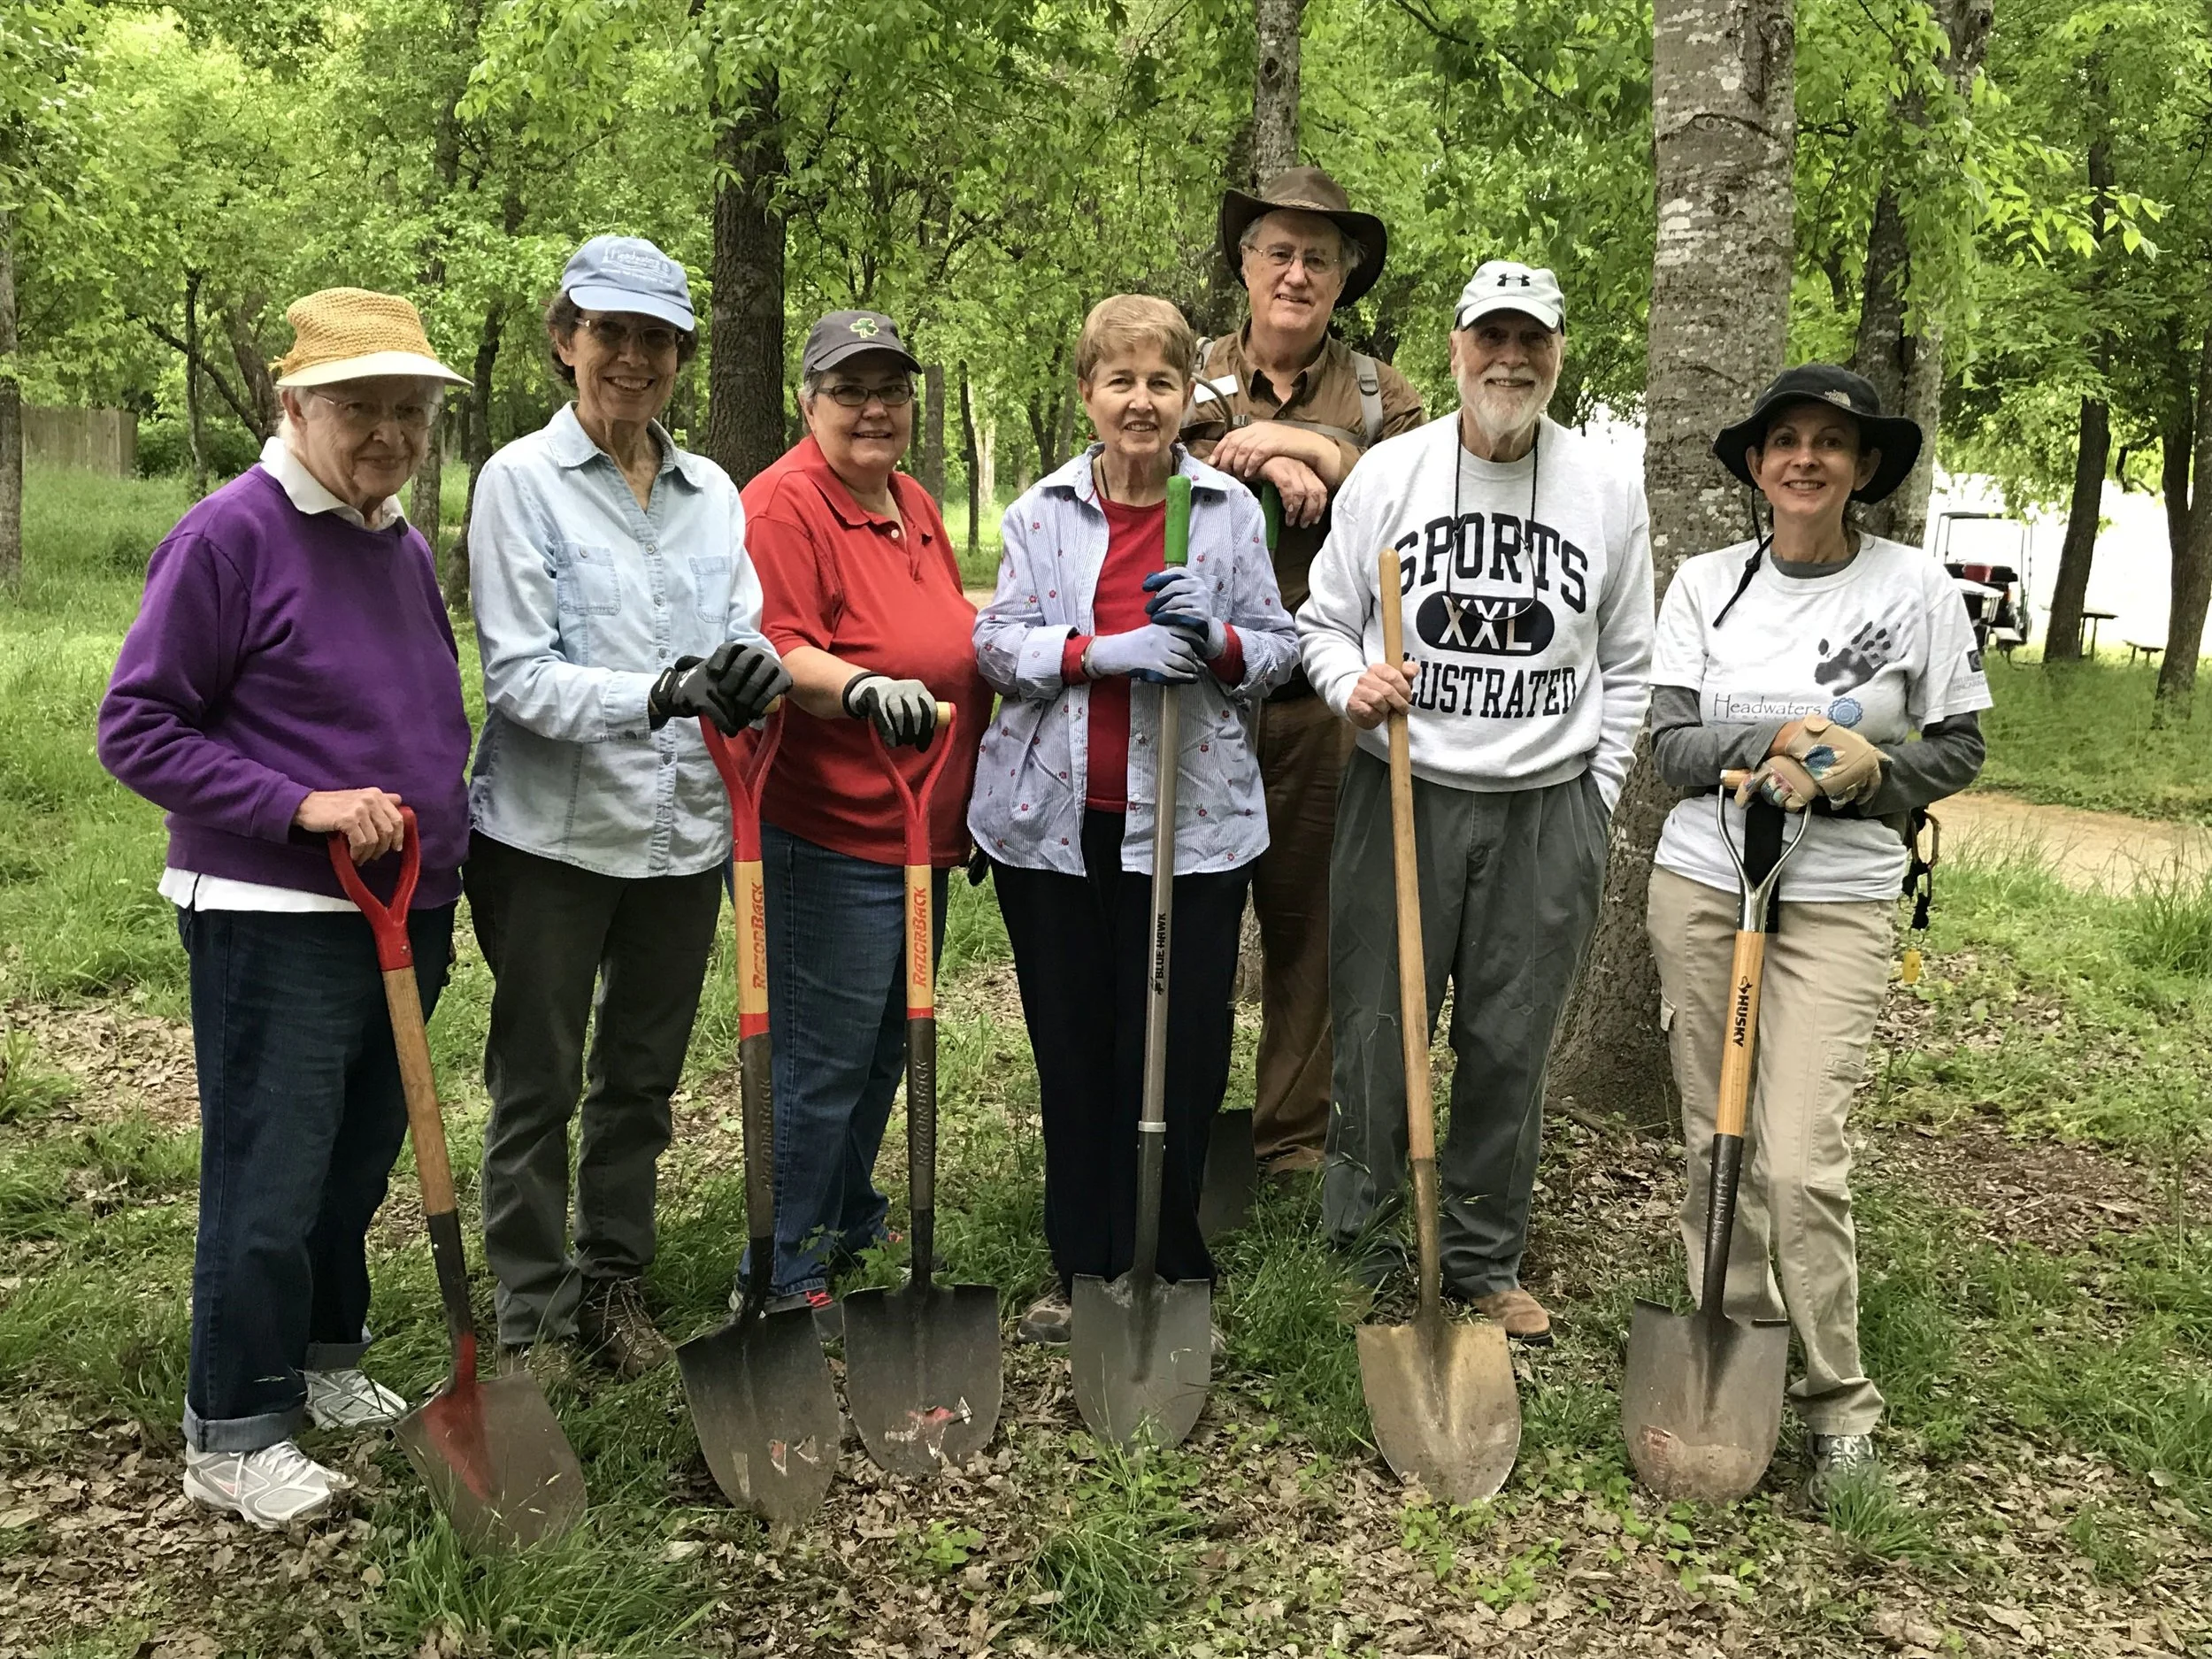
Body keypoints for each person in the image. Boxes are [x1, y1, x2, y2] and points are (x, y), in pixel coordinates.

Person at [97, 289, 473, 1526]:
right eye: (360, 405)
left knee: (359, 1156)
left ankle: (322, 1353)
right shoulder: (230, 536)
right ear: (296, 404)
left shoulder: (398, 539)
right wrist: (300, 802)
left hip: (401, 902)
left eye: (408, 409)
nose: (387, 432)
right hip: (275, 909)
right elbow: (137, 724)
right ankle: (237, 1422)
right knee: (269, 1167)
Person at [1645, 365, 1989, 1500]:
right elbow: (1669, 743)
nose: (1805, 459)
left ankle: (1839, 1401)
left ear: (1862, 470)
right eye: (1783, 441)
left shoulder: (1918, 588)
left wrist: (1869, 771)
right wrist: (1769, 746)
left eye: (1830, 444)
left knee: (1795, 1160)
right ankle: (1735, 1351)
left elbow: (1960, 750)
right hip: (1706, 882)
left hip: (1837, 899)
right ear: (1755, 466)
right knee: (1717, 1143)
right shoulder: (1704, 585)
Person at [1297, 261, 1655, 1341]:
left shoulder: (1605, 489)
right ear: (1454, 349)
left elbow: (1629, 662)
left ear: (1556, 354)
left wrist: (1593, 798)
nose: (1509, 360)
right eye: (1490, 338)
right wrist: (1349, 684)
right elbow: (1321, 623)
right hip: (1401, 789)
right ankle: (1360, 1244)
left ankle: (1482, 1256)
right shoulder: (1391, 476)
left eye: (1530, 341)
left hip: (1547, 807)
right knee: (1373, 1027)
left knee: (1511, 1040)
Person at [466, 235, 788, 1375]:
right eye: (611, 333)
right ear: (567, 341)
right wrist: (663, 690)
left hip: (683, 832)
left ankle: (614, 1283)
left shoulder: (712, 498)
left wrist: (745, 674)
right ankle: (532, 1313)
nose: (633, 360)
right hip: (552, 838)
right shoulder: (518, 483)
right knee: (538, 1080)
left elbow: (740, 631)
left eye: (656, 340)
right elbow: (517, 675)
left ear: (681, 357)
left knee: (639, 1081)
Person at [972, 296, 1299, 1346]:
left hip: (1191, 828)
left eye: (1161, 382)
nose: (1141, 402)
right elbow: (995, 644)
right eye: (1120, 382)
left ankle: (1167, 1256)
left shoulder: (1226, 515)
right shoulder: (1040, 514)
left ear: (1185, 399)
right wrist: (1088, 653)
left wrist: (1223, 643)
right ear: (1087, 395)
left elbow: (1280, 649)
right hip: (1055, 831)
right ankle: (1084, 1265)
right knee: (1075, 1050)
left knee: (1182, 1049)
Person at [736, 309, 992, 1335]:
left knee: (886, 1042)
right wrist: (858, 687)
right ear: (809, 401)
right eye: (850, 390)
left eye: (890, 388)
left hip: (917, 826)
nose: (873, 408)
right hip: (828, 831)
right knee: (820, 1054)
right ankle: (782, 1265)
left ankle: (844, 1214)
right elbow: (776, 649)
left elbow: (948, 637)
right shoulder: (783, 505)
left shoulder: (912, 500)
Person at [1181, 166, 1425, 1179]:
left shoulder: (1386, 396)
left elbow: (1414, 508)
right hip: (1197, 702)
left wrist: (1294, 444)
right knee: (1188, 924)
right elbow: (1147, 463)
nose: (1295, 273)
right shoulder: (1181, 369)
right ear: (1243, 264)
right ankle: (1176, 1130)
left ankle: (1289, 1144)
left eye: (1317, 258)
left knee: (1312, 930)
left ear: (1344, 276)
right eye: (1276, 251)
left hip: (1328, 703)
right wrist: (1268, 460)